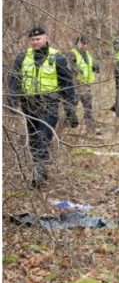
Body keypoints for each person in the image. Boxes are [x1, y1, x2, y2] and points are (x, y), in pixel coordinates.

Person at [8, 25, 75, 187]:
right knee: (33, 140)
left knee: (42, 137)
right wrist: (11, 103)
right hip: (29, 105)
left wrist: (71, 112)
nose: (35, 42)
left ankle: (37, 174)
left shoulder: (57, 58)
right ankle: (41, 169)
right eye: (32, 39)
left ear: (46, 38)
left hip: (49, 104)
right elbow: (14, 81)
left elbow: (68, 86)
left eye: (38, 39)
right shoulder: (23, 57)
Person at [69, 34, 101, 135]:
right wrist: (77, 70)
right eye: (82, 43)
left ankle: (90, 128)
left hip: (86, 85)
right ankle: (66, 127)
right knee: (71, 107)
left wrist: (95, 67)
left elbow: (90, 65)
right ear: (77, 43)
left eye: (86, 43)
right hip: (75, 85)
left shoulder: (87, 55)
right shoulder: (72, 53)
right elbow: (69, 66)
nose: (84, 45)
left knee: (88, 108)